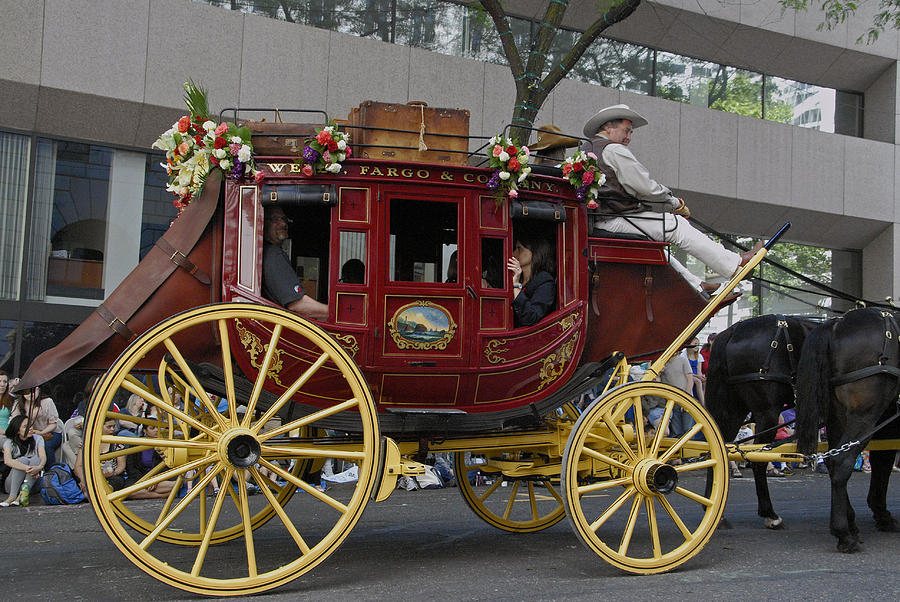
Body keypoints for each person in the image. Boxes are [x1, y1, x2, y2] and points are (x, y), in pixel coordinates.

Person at [582, 104, 763, 292]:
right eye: (626, 131)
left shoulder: (586, 148)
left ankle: (696, 285)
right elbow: (644, 187)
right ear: (608, 128)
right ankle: (735, 264)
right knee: (677, 226)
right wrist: (674, 202)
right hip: (613, 218)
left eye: (631, 132)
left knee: (656, 245)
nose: (628, 137)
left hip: (598, 219)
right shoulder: (613, 150)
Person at [262, 205, 328, 320]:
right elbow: (297, 305)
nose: (283, 224)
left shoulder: (269, 252)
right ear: (263, 223)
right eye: (275, 219)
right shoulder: (274, 255)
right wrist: (335, 312)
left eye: (284, 219)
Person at [507, 236, 556, 327]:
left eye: (519, 248)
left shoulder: (545, 281)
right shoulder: (518, 277)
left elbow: (530, 318)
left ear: (534, 251)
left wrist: (516, 286)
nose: (514, 253)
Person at [11, 384, 63, 466]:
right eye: (27, 392)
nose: (30, 394)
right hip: (29, 433)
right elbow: (16, 422)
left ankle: (50, 471)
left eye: (33, 391)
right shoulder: (18, 403)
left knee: (45, 446)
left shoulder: (47, 401)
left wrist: (41, 433)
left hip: (50, 433)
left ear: (38, 390)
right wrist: (31, 418)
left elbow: (53, 424)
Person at [2, 414, 46, 506]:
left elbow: (43, 457)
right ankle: (12, 497)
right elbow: (7, 461)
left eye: (30, 425)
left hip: (33, 484)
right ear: (18, 430)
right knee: (22, 460)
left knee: (36, 459)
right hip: (12, 484)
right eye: (25, 426)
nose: (30, 428)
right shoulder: (9, 442)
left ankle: (21, 496)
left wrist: (39, 467)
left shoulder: (38, 439)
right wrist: (29, 468)